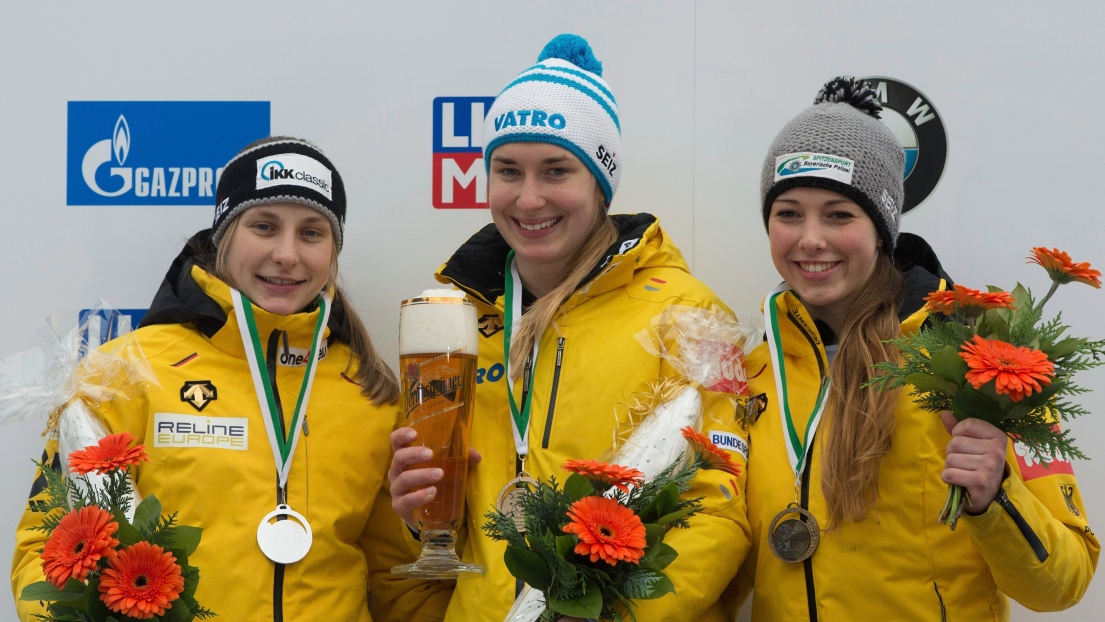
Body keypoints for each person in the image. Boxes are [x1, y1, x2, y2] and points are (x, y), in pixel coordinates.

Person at [387, 35, 751, 621]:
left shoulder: (689, 314)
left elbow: (717, 513)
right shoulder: (452, 319)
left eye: (556, 170)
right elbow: (435, 536)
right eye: (508, 171)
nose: (528, 198)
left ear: (600, 183)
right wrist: (415, 520)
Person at [12, 137, 450, 621]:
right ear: (223, 235)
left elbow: (395, 581)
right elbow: (45, 552)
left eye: (311, 233)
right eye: (264, 226)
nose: (286, 254)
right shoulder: (122, 375)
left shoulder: (370, 390)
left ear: (333, 250)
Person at [725, 77, 1099, 620]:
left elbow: (1063, 584)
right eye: (788, 213)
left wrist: (994, 497)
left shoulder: (985, 362)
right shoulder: (758, 374)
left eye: (838, 214)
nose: (810, 239)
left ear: (882, 229)